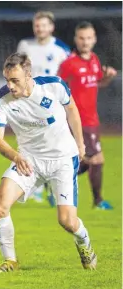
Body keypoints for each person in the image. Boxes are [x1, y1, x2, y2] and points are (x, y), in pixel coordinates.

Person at [0, 52, 96, 272]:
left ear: (28, 75)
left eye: (15, 80)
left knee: (67, 221)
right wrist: (16, 156)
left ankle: (84, 242)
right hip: (28, 160)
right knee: (0, 206)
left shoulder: (54, 85)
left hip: (62, 159)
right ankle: (10, 261)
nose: (10, 86)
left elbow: (72, 110)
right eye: (7, 80)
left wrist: (80, 143)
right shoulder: (0, 99)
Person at [58, 21, 117, 210]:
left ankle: (54, 181)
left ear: (94, 39)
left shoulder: (94, 60)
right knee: (96, 159)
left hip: (92, 120)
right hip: (79, 120)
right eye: (82, 38)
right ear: (76, 39)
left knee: (84, 161)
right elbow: (58, 88)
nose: (85, 42)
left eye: (89, 38)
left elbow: (97, 83)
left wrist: (107, 77)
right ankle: (98, 201)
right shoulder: (68, 64)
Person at [17, 11, 71, 205]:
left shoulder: (61, 49)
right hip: (28, 103)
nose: (40, 28)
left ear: (51, 27)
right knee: (28, 143)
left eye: (44, 25)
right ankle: (34, 186)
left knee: (52, 146)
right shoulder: (25, 46)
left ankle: (52, 188)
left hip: (51, 105)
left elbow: (68, 76)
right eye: (37, 25)